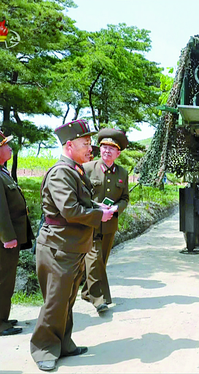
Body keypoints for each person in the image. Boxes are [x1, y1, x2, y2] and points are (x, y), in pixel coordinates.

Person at [30, 119, 116, 371]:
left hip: (71, 245)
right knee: (55, 301)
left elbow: (81, 202)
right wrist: (99, 215)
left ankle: (63, 343)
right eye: (85, 144)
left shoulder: (75, 170)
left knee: (67, 299)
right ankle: (44, 348)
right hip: (58, 247)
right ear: (69, 146)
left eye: (90, 143)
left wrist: (98, 207)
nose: (90, 149)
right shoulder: (61, 172)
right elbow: (68, 209)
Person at [82, 128, 129, 313]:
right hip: (91, 221)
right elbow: (81, 195)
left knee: (102, 259)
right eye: (104, 147)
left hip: (110, 223)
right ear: (99, 149)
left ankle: (87, 292)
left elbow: (125, 198)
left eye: (112, 148)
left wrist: (116, 208)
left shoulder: (122, 173)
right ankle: (99, 299)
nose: (107, 151)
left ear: (118, 153)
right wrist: (97, 208)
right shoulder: (87, 169)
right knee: (93, 259)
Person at [0, 131, 34, 336]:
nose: (10, 148)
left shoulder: (3, 172)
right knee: (3, 280)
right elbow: (0, 210)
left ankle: (3, 317)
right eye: (5, 145)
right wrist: (7, 237)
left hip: (10, 238)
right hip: (4, 241)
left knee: (7, 279)